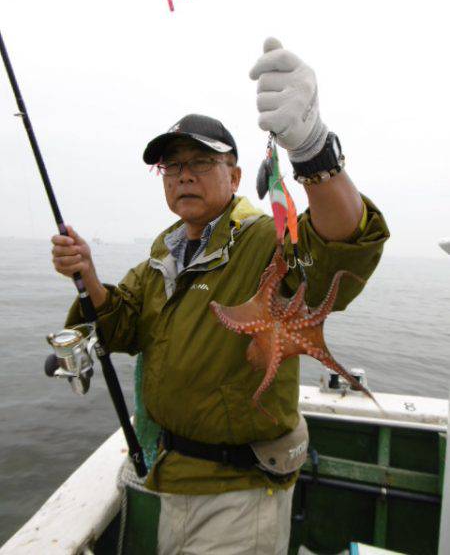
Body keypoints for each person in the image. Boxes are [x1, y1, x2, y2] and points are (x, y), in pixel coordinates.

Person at [51, 37, 389, 554]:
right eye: (172, 165)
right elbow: (121, 327)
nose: (183, 173)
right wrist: (89, 276)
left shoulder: (261, 240)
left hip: (239, 494)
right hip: (171, 477)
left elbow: (336, 248)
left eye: (201, 162)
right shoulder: (163, 255)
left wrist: (314, 151)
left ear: (234, 176)